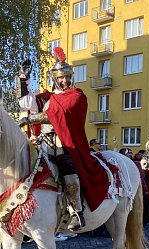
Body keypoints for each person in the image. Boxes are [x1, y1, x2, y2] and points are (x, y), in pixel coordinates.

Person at [18, 47, 110, 230]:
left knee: (67, 167)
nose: (64, 81)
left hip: (65, 144)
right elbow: (26, 103)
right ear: (55, 79)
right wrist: (23, 78)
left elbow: (59, 115)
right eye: (60, 78)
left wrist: (30, 119)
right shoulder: (47, 98)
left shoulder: (77, 96)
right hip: (42, 143)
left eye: (67, 77)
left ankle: (77, 210)